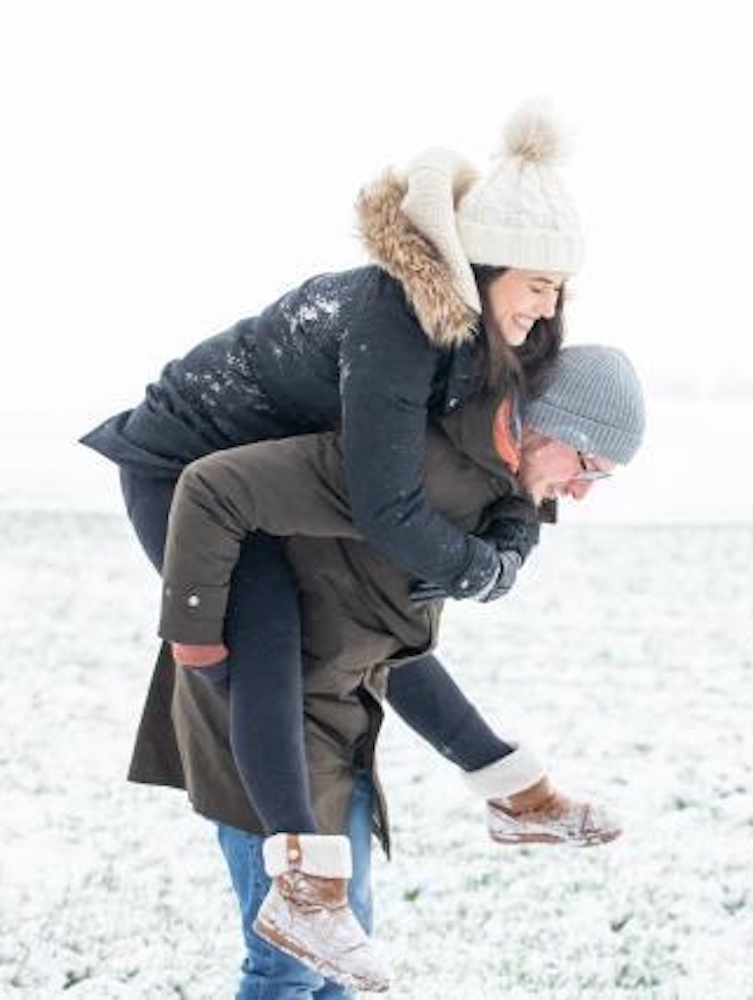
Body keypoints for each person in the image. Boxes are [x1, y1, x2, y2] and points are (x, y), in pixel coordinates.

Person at [78, 106, 604, 978]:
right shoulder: (397, 317)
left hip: (265, 483)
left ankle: (511, 789)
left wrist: (511, 539)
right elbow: (388, 505)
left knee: (367, 618)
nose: (549, 306)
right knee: (272, 633)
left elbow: (514, 445)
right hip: (185, 468)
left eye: (561, 288)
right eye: (537, 283)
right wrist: (478, 571)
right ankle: (304, 888)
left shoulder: (488, 336)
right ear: (486, 266)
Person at [129, 345, 646, 995]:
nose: (579, 492)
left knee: (347, 947)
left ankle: (518, 795)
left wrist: (506, 550)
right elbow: (214, 488)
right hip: (262, 720)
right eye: (588, 468)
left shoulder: (487, 478)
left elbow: (395, 643)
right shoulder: (402, 468)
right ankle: (517, 797)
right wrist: (196, 635)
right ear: (544, 426)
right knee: (288, 961)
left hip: (344, 706)